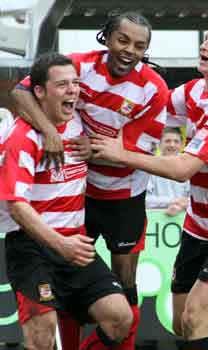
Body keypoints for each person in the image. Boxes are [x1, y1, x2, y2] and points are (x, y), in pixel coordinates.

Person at [92, 18, 208, 350]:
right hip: (201, 221)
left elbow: (182, 169)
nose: (204, 47)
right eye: (205, 39)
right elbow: (150, 108)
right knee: (181, 322)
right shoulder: (192, 91)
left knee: (195, 319)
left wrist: (121, 155)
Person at [11, 12, 169, 350]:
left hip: (124, 194)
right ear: (107, 38)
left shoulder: (153, 89)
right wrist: (51, 131)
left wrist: (95, 151)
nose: (129, 50)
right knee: (69, 287)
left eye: (140, 45)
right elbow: (22, 93)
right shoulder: (77, 68)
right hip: (80, 196)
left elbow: (137, 148)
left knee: (125, 283)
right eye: (123, 40)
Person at [0, 52, 133, 350]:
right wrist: (61, 245)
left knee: (120, 318)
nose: (73, 90)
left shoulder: (79, 123)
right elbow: (17, 207)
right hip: (32, 247)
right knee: (42, 335)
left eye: (75, 83)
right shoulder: (21, 137)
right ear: (39, 92)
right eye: (62, 85)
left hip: (76, 242)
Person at [146, 127, 189, 216]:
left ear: (181, 145)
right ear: (159, 144)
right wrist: (173, 202)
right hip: (154, 220)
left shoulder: (189, 167)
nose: (172, 145)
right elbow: (145, 200)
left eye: (176, 141)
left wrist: (182, 205)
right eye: (168, 141)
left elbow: (194, 198)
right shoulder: (149, 166)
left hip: (185, 218)